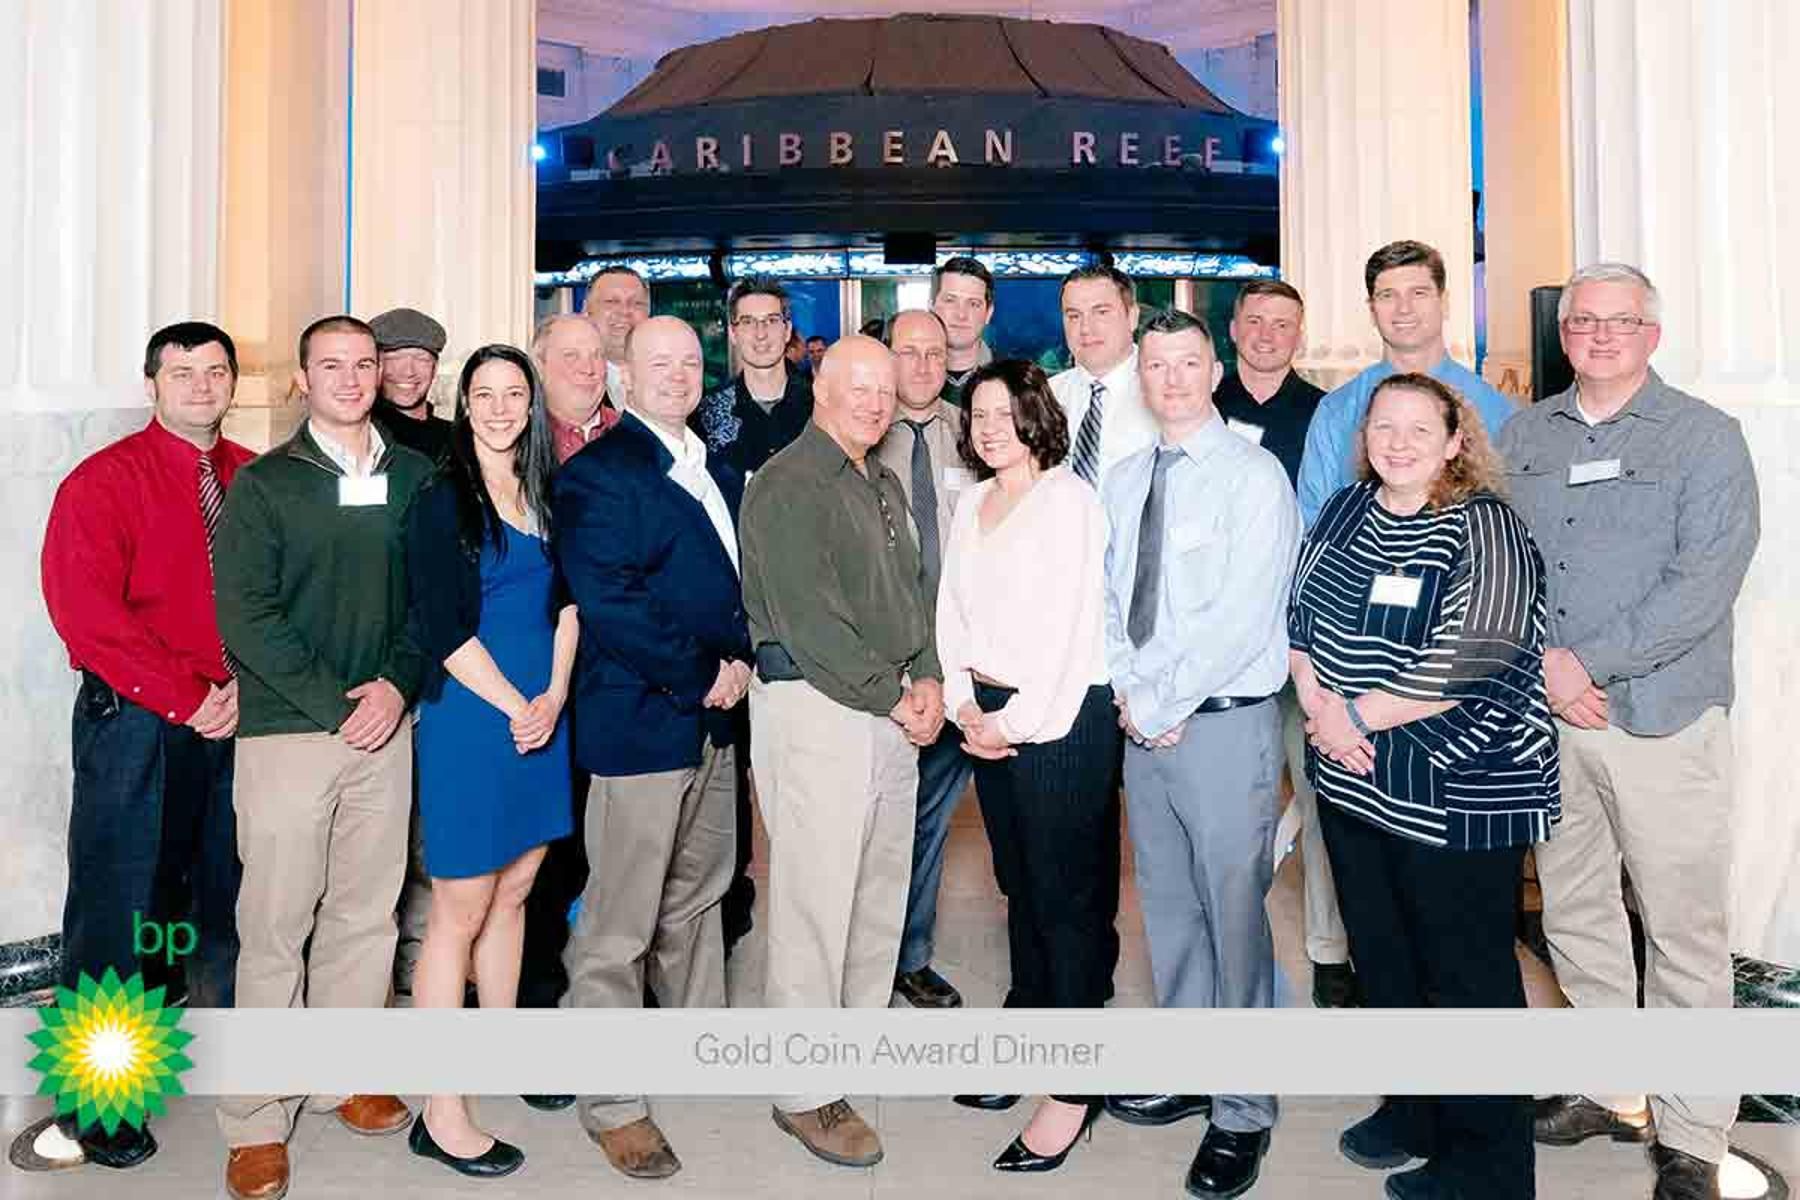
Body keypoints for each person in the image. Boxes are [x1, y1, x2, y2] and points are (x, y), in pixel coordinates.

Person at [1500, 263, 1759, 1200]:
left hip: (1663, 720)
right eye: (1584, 321)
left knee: (1683, 932)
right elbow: (1499, 564)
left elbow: (1705, 582)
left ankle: (1693, 1135)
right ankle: (1613, 1088)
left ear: (1653, 334)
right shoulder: (1524, 436)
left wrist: (1588, 665)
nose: (1601, 334)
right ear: (1563, 334)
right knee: (1575, 913)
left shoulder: (1705, 437)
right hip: (1553, 721)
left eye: (1621, 320)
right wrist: (1543, 666)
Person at [1290, 373, 1557, 1200]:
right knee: (1385, 958)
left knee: (1465, 977)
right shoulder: (1345, 510)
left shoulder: (1487, 526)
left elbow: (1476, 653)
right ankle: (1414, 1111)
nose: (1397, 443)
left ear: (1454, 442)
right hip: (1355, 782)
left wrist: (1352, 718)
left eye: (1418, 429)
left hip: (1457, 788)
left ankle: (1490, 1163)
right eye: (1383, 427)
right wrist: (1321, 708)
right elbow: (1298, 620)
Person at [212, 315, 434, 1200]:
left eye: (364, 363)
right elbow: (246, 615)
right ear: (303, 379)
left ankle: (345, 1077)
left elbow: (431, 601)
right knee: (275, 928)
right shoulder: (266, 484)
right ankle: (256, 1118)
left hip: (384, 728)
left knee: (365, 917)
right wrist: (336, 704)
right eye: (331, 365)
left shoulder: (414, 476)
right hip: (289, 733)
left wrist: (397, 687)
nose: (350, 378)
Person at [39, 321, 252, 1169]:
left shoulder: (251, 477)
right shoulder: (102, 482)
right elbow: (88, 616)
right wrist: (187, 698)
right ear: (151, 384)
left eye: (216, 371)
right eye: (182, 372)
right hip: (136, 723)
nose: (201, 386)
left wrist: (242, 692)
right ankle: (101, 1104)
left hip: (233, 719)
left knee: (200, 906)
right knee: (119, 912)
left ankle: (170, 1053)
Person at [1102, 309, 1296, 1199]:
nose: (1172, 379)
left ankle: (1244, 1108)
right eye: (1156, 365)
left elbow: (1244, 617)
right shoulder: (1125, 477)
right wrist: (1132, 696)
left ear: (1214, 371)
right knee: (1170, 911)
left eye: (1188, 363)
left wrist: (1163, 701)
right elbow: (1109, 599)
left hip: (1220, 726)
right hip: (1145, 728)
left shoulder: (1253, 477)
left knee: (1233, 915)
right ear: (1140, 377)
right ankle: (1189, 1069)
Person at [738, 334, 944, 1169]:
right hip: (820, 710)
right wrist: (895, 694)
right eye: (856, 385)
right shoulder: (788, 483)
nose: (874, 401)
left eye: (884, 388)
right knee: (815, 906)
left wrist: (928, 677)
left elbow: (913, 595)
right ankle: (803, 1091)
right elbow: (811, 622)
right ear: (817, 385)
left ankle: (851, 1053)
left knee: (874, 894)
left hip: (886, 706)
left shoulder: (879, 479)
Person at [555, 316, 750, 1180]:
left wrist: (736, 670)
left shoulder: (711, 466)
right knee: (619, 922)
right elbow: (611, 599)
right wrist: (704, 672)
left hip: (715, 721)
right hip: (642, 724)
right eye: (657, 363)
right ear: (623, 378)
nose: (676, 374)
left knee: (699, 897)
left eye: (689, 362)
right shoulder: (598, 474)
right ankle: (613, 1102)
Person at [934, 359, 1117, 1171]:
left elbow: (1070, 636)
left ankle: (1074, 1090)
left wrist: (1010, 723)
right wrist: (961, 706)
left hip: (1058, 724)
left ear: (1037, 416)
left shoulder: (1069, 502)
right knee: (1021, 891)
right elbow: (951, 611)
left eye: (1005, 413)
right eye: (978, 414)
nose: (990, 427)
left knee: (1066, 903)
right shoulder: (974, 501)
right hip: (986, 717)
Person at [401, 344, 578, 1179]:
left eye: (515, 393)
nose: (501, 408)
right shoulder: (442, 500)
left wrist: (555, 697)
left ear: (531, 405)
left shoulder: (547, 492)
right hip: (475, 720)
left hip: (543, 715)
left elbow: (570, 606)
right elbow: (443, 629)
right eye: (485, 394)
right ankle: (441, 1111)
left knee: (516, 889)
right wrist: (518, 707)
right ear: (463, 404)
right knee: (460, 909)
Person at [1215, 278, 1352, 1008]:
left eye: (1283, 323)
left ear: (1300, 335)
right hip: (1225, 650)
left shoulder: (1326, 416)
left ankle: (1330, 948)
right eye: (1256, 320)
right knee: (1230, 807)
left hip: (1305, 644)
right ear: (1234, 328)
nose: (1268, 334)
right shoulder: (1202, 407)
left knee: (1322, 798)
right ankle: (1231, 943)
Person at [691, 275, 815, 955]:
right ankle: (729, 904)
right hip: (728, 614)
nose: (762, 333)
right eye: (749, 322)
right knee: (727, 763)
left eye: (773, 321)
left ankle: (811, 906)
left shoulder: (821, 402)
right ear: (733, 332)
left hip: (808, 614)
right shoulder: (706, 412)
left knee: (808, 768)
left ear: (788, 329)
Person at [874, 310, 974, 1009]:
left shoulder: (974, 432)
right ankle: (864, 958)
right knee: (876, 821)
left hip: (959, 661)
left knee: (930, 821)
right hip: (880, 663)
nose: (922, 365)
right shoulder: (860, 430)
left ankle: (909, 956)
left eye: (935, 352)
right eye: (907, 352)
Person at [1296, 240, 1517, 529]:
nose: (1404, 309)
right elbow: (1316, 522)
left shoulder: (1497, 410)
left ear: (1444, 302)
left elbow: (1511, 514)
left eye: (1419, 293)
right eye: (1388, 295)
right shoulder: (1337, 411)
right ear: (1372, 310)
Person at [1049, 263, 1157, 489]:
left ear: (1132, 317)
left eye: (1101, 312)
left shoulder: (1169, 390)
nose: (1086, 328)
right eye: (1074, 316)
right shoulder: (1047, 396)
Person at [370, 306, 453, 463]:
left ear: (435, 367)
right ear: (376, 366)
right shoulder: (364, 436)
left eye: (421, 358)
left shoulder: (459, 439)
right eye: (394, 358)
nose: (408, 372)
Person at [534, 313, 619, 464]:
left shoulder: (636, 434)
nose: (588, 369)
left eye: (597, 355)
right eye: (571, 355)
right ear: (540, 365)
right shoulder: (518, 436)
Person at [582, 264, 651, 404]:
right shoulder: (564, 381)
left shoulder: (673, 381)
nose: (624, 311)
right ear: (586, 311)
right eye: (611, 302)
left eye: (636, 303)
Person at [931, 255, 997, 401]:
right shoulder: (901, 378)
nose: (961, 314)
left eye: (973, 304)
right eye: (950, 300)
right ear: (932, 307)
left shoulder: (1014, 382)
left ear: (988, 313)